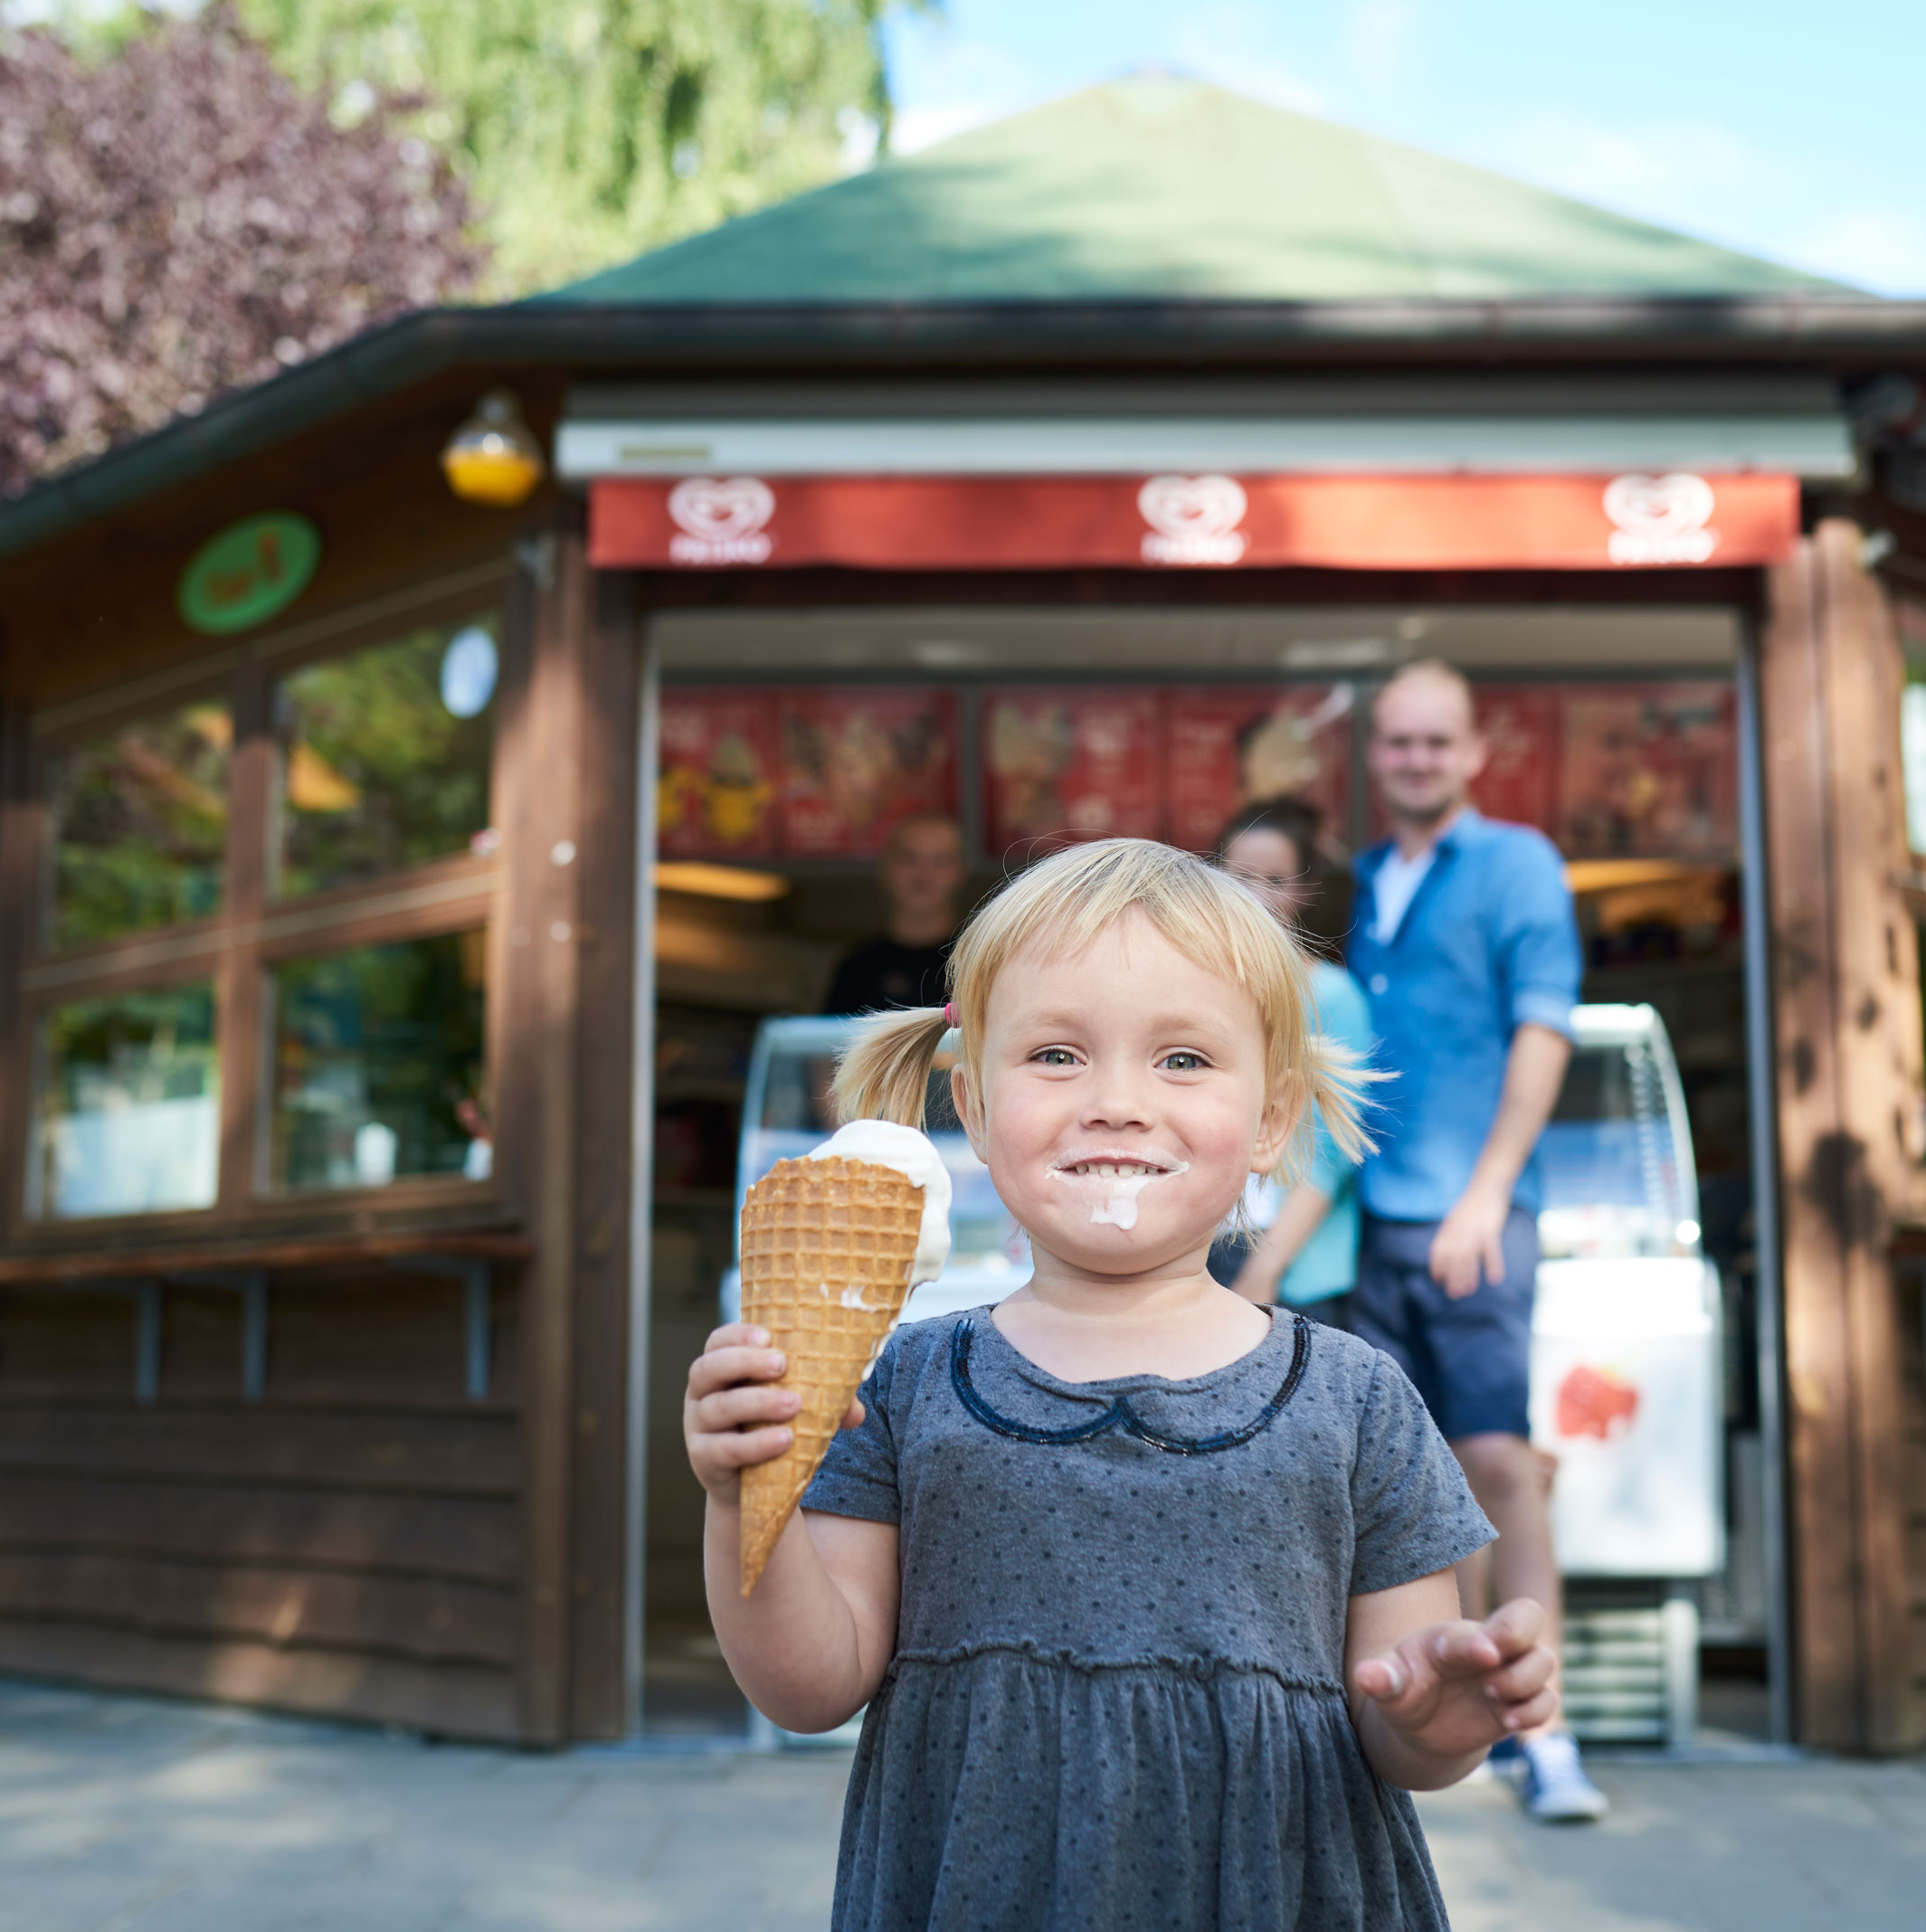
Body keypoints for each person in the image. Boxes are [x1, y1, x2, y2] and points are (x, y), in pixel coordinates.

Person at [686, 838, 1561, 1932]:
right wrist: (739, 1502)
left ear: (1272, 1120)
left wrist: (1444, 1716)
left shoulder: (1355, 1400)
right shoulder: (901, 1387)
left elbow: (1400, 1730)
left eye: (1182, 1060)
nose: (1115, 1102)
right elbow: (807, 1688)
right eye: (1054, 1055)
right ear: (971, 1101)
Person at [1347, 658, 1607, 1824]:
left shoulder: (1516, 864)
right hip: (1359, 1226)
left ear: (1472, 752)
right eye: (1397, 742)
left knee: (1498, 1463)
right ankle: (1432, 1719)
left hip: (1471, 1220)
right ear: (1374, 756)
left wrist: (1485, 1194)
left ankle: (1545, 1736)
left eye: (1435, 742)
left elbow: (1541, 1034)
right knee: (1388, 1486)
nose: (1416, 759)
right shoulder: (1353, 885)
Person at [1212, 797, 1374, 1330]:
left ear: (1303, 891)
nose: (1256, 895)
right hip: (1201, 1255)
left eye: (1276, 880)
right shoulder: (1193, 989)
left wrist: (1264, 1272)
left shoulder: (1333, 997)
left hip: (1291, 1270)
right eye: (1240, 876)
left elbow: (1332, 1153)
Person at [822, 811, 965, 1014]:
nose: (923, 874)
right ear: (887, 868)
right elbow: (824, 1041)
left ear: (960, 872)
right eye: (909, 858)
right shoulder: (857, 967)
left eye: (940, 861)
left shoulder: (978, 964)